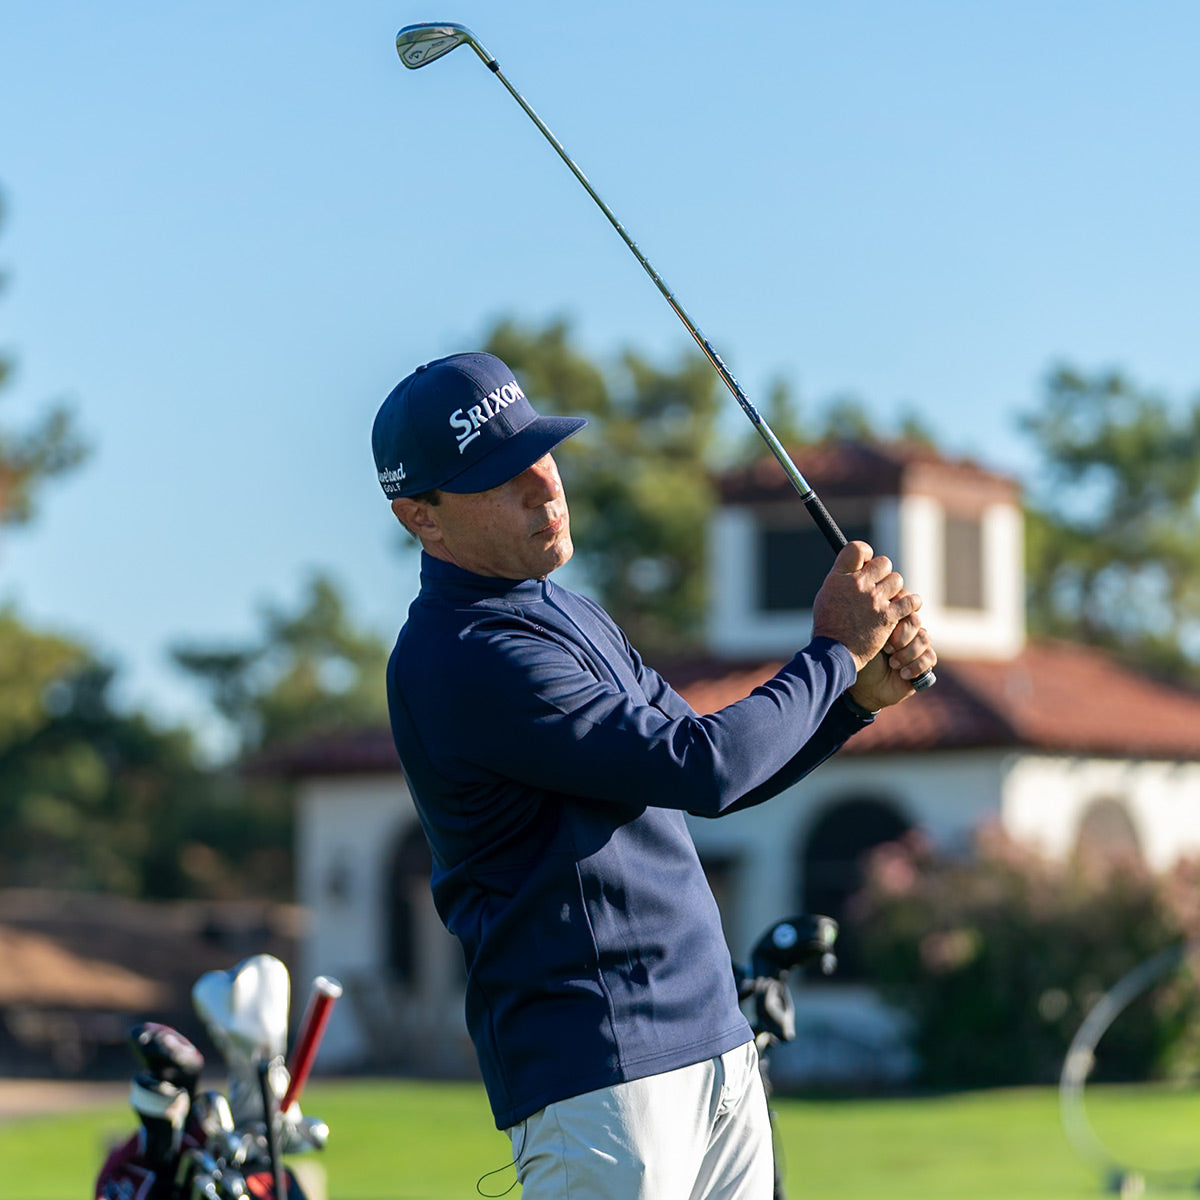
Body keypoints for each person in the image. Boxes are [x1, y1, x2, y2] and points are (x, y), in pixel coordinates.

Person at [371, 351, 936, 1199]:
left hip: (712, 1042)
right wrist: (832, 654)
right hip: (601, 1075)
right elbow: (704, 767)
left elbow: (715, 778)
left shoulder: (569, 613)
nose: (543, 487)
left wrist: (852, 703)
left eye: (541, 455)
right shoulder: (463, 654)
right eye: (498, 478)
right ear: (422, 518)